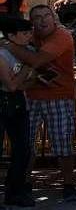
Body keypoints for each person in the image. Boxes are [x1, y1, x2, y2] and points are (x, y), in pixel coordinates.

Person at [7, 5, 76, 201]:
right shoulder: (28, 36)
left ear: (54, 18)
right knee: (26, 145)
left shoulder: (62, 36)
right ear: (32, 22)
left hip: (59, 96)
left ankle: (69, 184)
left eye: (46, 16)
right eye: (37, 17)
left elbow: (37, 60)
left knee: (63, 144)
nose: (42, 20)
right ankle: (24, 183)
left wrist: (10, 45)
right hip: (30, 94)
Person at [0, 17, 35, 206]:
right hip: (4, 99)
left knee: (22, 148)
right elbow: (11, 85)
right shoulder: (3, 54)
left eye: (30, 32)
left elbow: (30, 83)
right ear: (11, 36)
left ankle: (15, 192)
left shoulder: (28, 51)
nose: (29, 36)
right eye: (24, 33)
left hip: (19, 102)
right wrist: (27, 66)